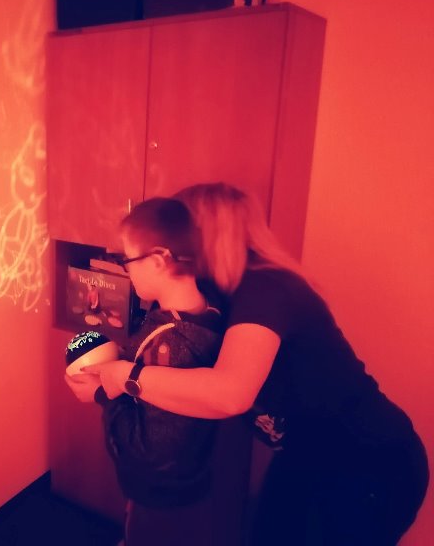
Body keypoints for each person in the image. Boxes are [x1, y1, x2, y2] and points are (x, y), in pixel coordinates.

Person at [83, 182, 429, 546]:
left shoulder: (266, 289)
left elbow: (230, 394)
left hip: (368, 463)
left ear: (205, 233)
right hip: (307, 455)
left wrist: (126, 377)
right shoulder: (216, 298)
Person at [66, 197, 226, 546]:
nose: (126, 270)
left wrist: (101, 394)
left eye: (128, 260)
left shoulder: (169, 345)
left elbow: (150, 450)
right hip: (189, 482)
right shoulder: (209, 311)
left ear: (157, 260)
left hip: (160, 498)